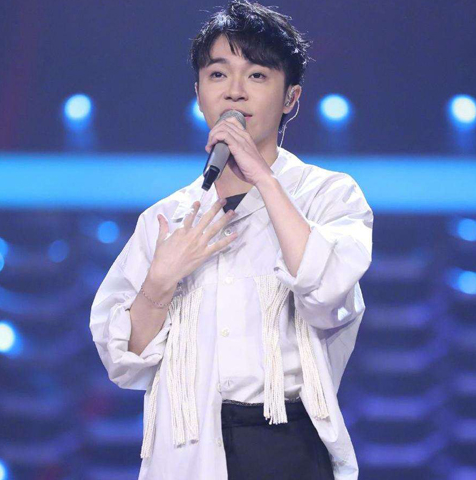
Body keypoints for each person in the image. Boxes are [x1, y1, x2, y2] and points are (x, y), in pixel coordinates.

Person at [89, 1, 374, 479]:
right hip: (190, 451)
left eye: (257, 75)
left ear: (291, 98)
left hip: (286, 443)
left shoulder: (327, 195)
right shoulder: (167, 217)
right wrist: (159, 283)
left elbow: (327, 293)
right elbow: (125, 363)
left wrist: (262, 176)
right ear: (199, 93)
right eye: (218, 75)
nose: (235, 91)